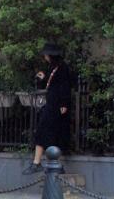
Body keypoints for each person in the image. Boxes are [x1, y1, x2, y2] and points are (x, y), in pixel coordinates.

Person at [24, 44, 71, 175]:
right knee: (43, 131)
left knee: (53, 133)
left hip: (57, 105)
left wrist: (64, 103)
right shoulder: (52, 68)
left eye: (46, 55)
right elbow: (50, 85)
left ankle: (44, 163)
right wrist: (43, 79)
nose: (45, 57)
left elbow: (65, 86)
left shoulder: (63, 68)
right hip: (50, 103)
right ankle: (38, 162)